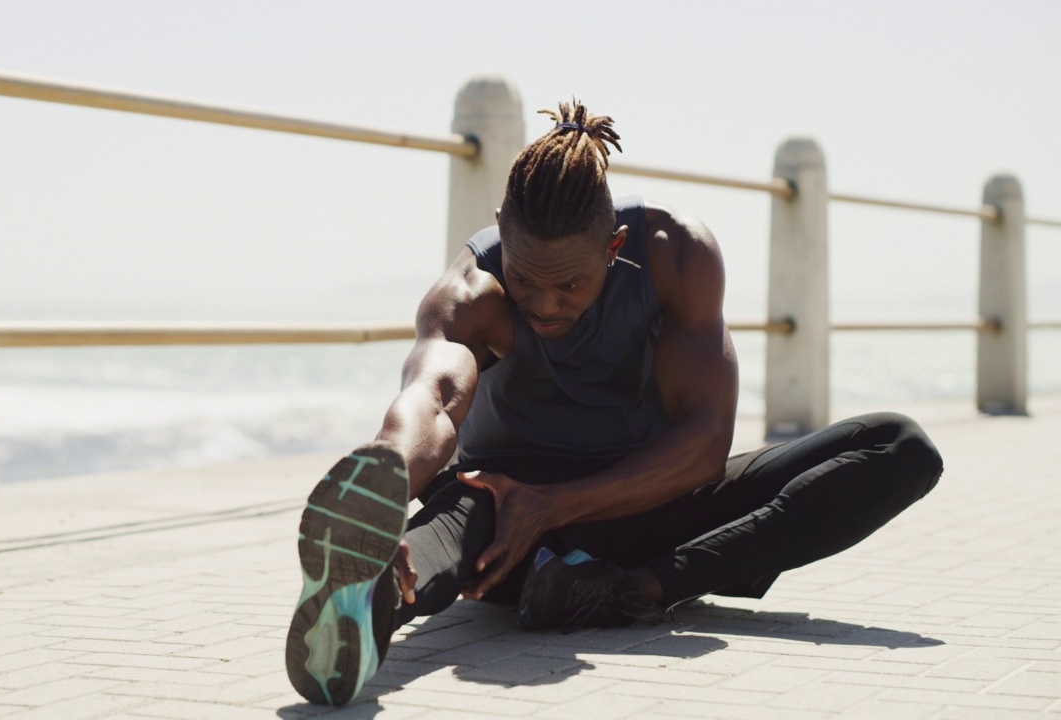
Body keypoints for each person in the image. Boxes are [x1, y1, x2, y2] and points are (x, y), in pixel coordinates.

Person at [284, 100, 944, 707]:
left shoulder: (676, 257)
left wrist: (561, 504)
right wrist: (391, 475)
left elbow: (704, 444)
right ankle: (361, 605)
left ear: (614, 247)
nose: (543, 305)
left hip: (645, 502)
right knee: (448, 527)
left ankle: (631, 591)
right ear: (500, 235)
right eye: (526, 281)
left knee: (898, 446)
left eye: (569, 284)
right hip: (501, 513)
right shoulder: (471, 292)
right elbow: (433, 395)